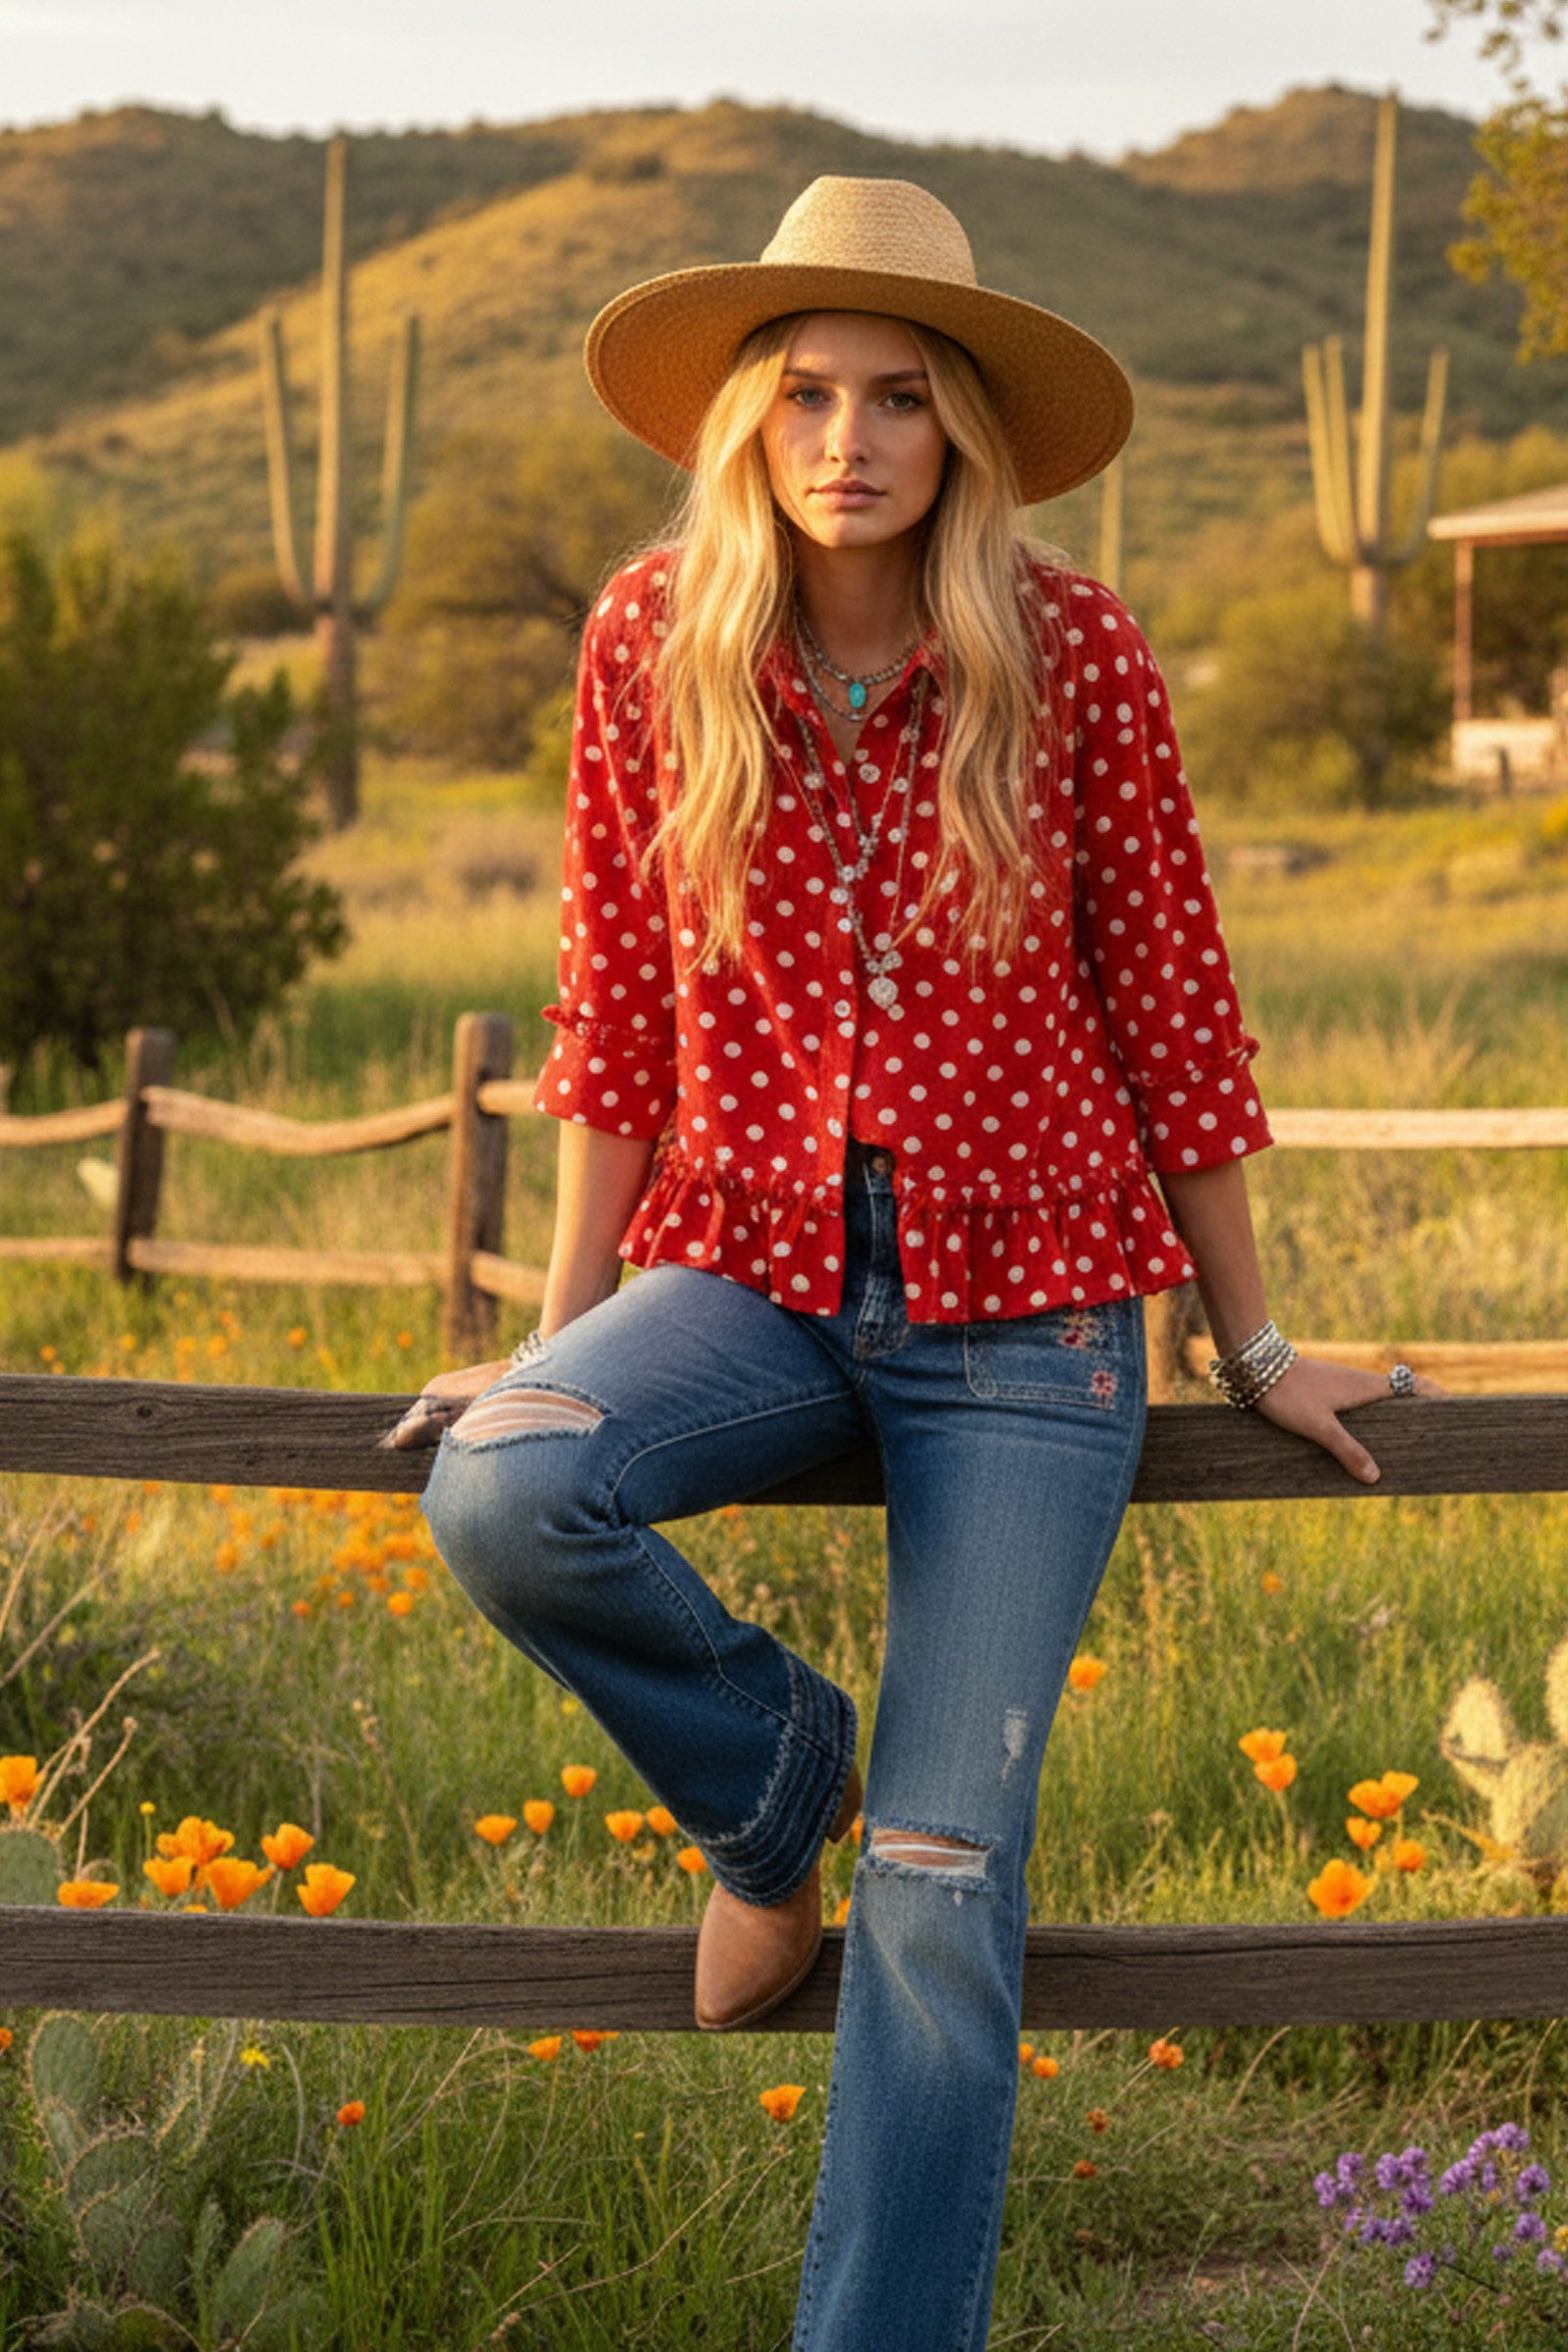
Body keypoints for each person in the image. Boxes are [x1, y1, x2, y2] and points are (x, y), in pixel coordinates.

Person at [393, 176, 1439, 2352]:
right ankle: (774, 1790)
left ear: (961, 422)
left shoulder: (1074, 653)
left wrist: (1252, 1345)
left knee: (947, 1882)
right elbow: (616, 1020)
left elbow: (1174, 1008)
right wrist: (554, 1337)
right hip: (743, 1269)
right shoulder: (650, 634)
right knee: (507, 1484)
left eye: (895, 395)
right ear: (747, 422)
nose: (848, 438)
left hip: (1033, 1319)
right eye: (805, 394)